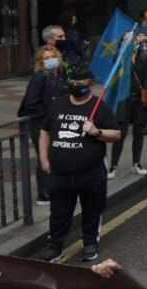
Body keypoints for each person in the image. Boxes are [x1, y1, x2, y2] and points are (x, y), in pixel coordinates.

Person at [36, 63, 118, 263]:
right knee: (59, 211)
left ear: (89, 84)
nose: (74, 85)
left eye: (79, 82)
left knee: (92, 208)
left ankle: (90, 242)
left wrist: (96, 132)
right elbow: (45, 131)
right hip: (59, 173)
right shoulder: (58, 104)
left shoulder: (99, 106)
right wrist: (44, 159)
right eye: (72, 81)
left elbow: (116, 134)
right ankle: (55, 246)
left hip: (91, 172)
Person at [17, 44, 68, 204]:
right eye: (46, 58)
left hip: (55, 122)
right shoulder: (39, 77)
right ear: (40, 61)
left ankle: (55, 187)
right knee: (44, 156)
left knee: (56, 155)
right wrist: (47, 115)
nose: (50, 60)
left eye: (52, 57)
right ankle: (43, 192)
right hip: (40, 124)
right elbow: (31, 103)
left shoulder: (60, 75)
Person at [109, 31, 147, 177]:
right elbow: (116, 60)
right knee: (121, 133)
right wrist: (130, 44)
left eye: (134, 38)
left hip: (140, 100)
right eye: (130, 39)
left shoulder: (143, 58)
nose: (135, 41)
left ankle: (136, 163)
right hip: (124, 100)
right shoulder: (119, 57)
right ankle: (113, 166)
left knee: (139, 132)